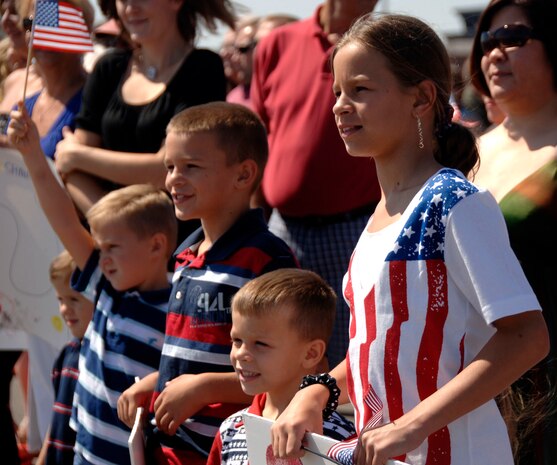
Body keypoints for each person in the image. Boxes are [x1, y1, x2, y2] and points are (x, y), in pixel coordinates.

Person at [270, 14, 549, 465]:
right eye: (337, 91)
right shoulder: (381, 214)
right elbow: (374, 352)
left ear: (420, 98)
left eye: (359, 89)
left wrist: (411, 425)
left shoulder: (455, 201)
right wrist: (317, 390)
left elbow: (528, 336)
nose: (340, 105)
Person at [116, 102, 298, 465]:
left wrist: (204, 388)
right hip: (167, 450)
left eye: (191, 167)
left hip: (228, 451)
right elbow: (192, 355)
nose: (173, 179)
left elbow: (288, 371)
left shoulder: (265, 259)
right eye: (170, 167)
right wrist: (158, 381)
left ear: (244, 174)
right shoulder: (185, 256)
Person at [8, 105, 177, 465]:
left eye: (113, 247)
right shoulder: (107, 286)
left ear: (156, 246)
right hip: (84, 454)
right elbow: (66, 221)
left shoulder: (179, 307)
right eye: (99, 248)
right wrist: (32, 153)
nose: (102, 257)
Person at [250, 0, 381, 368]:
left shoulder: (384, 47)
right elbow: (261, 139)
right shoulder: (277, 43)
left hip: (355, 230)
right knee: (278, 358)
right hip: (281, 229)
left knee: (353, 363)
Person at [469, 0, 557, 463]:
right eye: (488, 41)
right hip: (469, 372)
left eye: (514, 38)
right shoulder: (469, 152)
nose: (496, 53)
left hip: (547, 383)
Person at [53, 0, 236, 217]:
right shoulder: (108, 68)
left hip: (174, 241)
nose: (131, 8)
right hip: (107, 242)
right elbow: (71, 171)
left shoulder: (204, 69)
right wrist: (115, 229)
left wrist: (79, 155)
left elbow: (167, 171)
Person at [206, 268, 356, 465]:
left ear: (311, 354)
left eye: (260, 344)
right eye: (237, 340)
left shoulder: (340, 442)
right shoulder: (230, 430)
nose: (241, 353)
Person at [34, 251, 94, 465]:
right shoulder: (66, 354)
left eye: (74, 299)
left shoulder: (100, 358)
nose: (64, 309)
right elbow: (57, 417)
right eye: (60, 299)